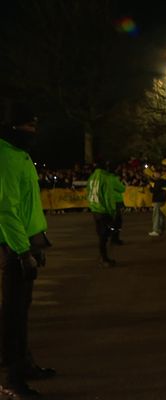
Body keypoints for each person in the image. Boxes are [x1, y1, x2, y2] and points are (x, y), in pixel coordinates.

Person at [0, 102, 55, 396]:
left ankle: (24, 363)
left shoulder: (20, 154)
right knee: (12, 313)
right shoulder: (5, 157)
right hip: (11, 246)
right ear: (12, 127)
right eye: (29, 126)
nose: (34, 131)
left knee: (22, 310)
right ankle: (11, 377)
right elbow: (5, 209)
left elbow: (26, 205)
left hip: (25, 242)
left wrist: (37, 240)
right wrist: (21, 251)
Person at [87, 163, 125, 267]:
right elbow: (108, 197)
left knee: (101, 235)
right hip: (104, 210)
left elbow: (88, 193)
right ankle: (104, 259)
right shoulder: (106, 178)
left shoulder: (91, 178)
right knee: (105, 235)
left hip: (95, 210)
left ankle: (104, 257)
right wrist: (111, 211)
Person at [148, 170, 166, 236]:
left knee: (156, 215)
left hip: (157, 200)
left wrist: (150, 188)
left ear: (158, 174)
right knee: (161, 216)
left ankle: (156, 230)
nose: (154, 175)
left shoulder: (158, 182)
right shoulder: (164, 181)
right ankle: (161, 229)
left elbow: (155, 191)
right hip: (163, 200)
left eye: (155, 173)